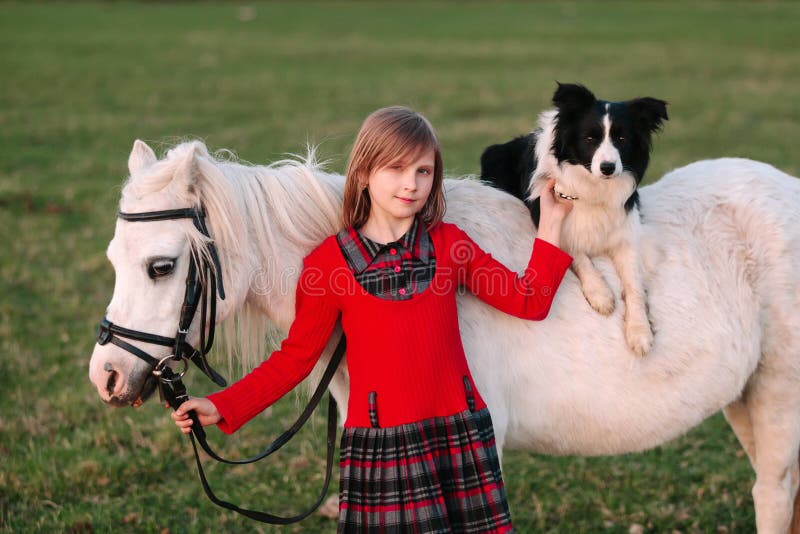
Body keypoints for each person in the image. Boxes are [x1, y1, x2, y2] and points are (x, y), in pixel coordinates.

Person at [171, 106, 573, 532]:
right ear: (363, 172)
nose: (411, 184)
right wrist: (223, 405)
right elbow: (297, 358)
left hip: (457, 435)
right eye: (396, 168)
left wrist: (552, 222)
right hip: (382, 447)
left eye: (423, 171)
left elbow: (528, 299)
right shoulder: (329, 267)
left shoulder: (449, 245)